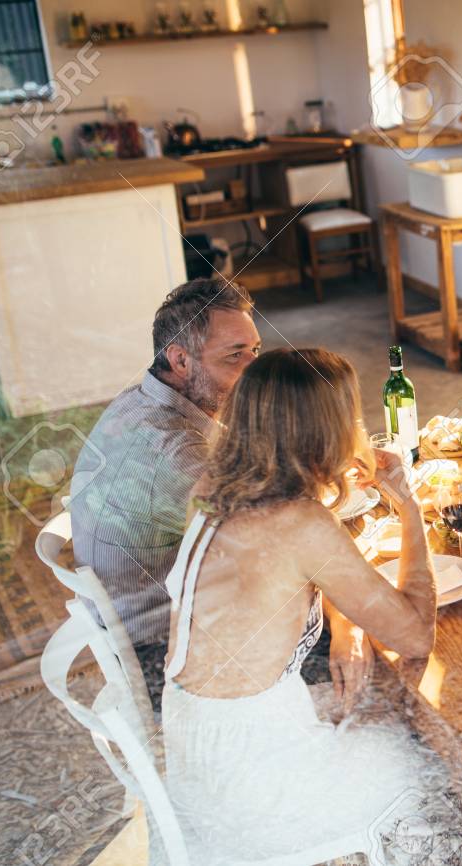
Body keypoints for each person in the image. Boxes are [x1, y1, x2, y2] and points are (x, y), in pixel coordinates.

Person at [162, 348, 456, 864]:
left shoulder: (211, 488)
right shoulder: (300, 523)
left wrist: (348, 626)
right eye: (351, 416)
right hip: (254, 787)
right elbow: (414, 636)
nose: (358, 428)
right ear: (324, 431)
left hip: (201, 752)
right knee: (434, 762)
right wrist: (408, 507)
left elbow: (288, 575)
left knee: (378, 710)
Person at [69, 278, 372, 712]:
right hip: (172, 656)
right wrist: (348, 624)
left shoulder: (152, 400)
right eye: (235, 356)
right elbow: (282, 551)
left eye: (255, 350)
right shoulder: (173, 452)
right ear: (180, 360)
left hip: (172, 616)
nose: (255, 368)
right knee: (375, 652)